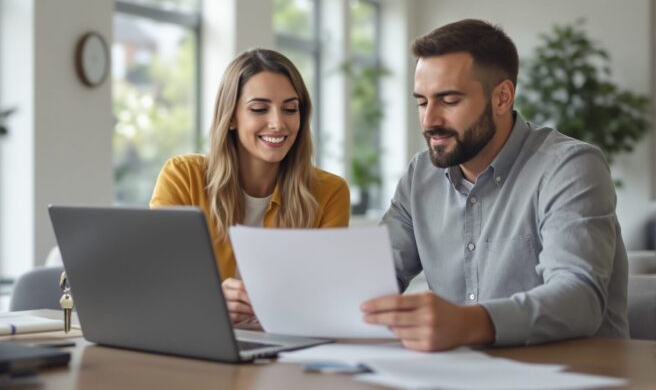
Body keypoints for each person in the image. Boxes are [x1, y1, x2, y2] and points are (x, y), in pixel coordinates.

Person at [361, 19, 629, 351]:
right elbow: (370, 281)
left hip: (576, 370)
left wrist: (468, 323)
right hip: (461, 371)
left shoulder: (569, 167)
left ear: (502, 98)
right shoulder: (420, 176)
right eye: (422, 102)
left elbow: (580, 299)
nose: (429, 120)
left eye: (449, 100)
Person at [150, 48, 350, 325]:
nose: (278, 123)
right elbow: (158, 279)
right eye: (259, 109)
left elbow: (327, 296)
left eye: (290, 109)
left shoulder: (330, 192)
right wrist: (209, 300)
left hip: (287, 342)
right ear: (231, 117)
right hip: (197, 336)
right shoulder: (183, 177)